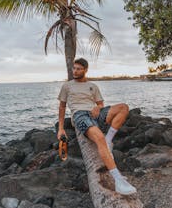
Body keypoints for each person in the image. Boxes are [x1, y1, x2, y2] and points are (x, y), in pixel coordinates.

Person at [57, 57, 136, 195]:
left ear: (85, 70)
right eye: (74, 68)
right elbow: (62, 107)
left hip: (94, 114)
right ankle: (118, 180)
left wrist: (98, 108)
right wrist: (61, 128)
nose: (75, 71)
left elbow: (100, 104)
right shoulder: (67, 86)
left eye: (78, 69)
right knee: (99, 137)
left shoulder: (93, 86)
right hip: (80, 115)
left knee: (123, 107)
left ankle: (108, 139)